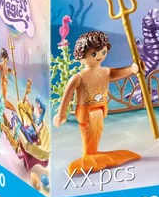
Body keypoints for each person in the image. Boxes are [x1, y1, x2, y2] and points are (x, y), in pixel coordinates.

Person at [53, 30, 141, 173]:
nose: (99, 56)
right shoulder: (79, 77)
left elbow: (118, 72)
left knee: (97, 131)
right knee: (88, 134)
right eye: (94, 54)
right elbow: (67, 95)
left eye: (103, 52)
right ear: (81, 55)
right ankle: (89, 154)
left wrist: (132, 68)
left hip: (100, 108)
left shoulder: (105, 72)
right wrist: (61, 114)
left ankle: (92, 153)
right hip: (85, 110)